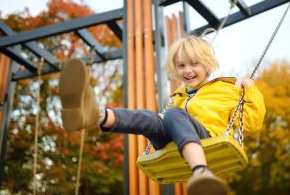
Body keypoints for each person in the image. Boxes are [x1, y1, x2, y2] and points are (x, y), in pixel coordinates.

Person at [59, 35, 266, 195]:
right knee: (150, 118)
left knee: (174, 114)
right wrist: (160, 118)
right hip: (171, 142)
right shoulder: (177, 96)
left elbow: (252, 123)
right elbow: (166, 120)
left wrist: (250, 91)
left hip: (208, 139)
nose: (187, 70)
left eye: (194, 64)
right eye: (181, 65)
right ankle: (96, 115)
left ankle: (201, 171)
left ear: (208, 64)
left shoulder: (226, 89)